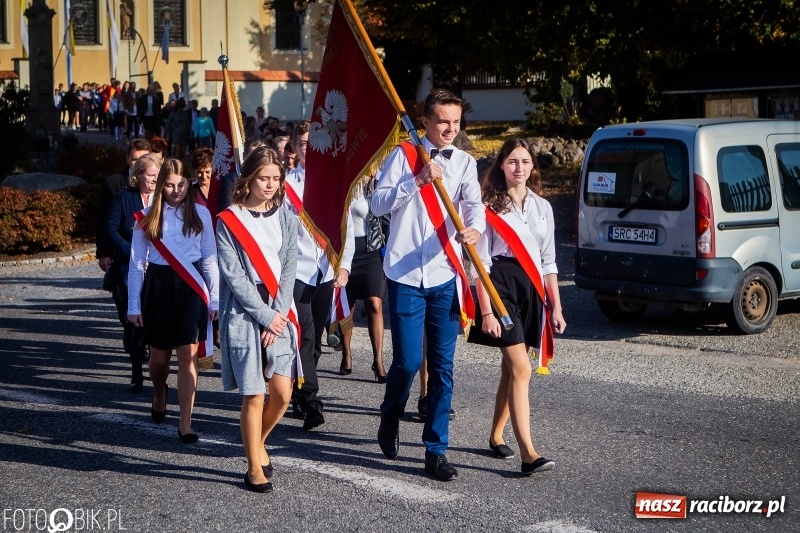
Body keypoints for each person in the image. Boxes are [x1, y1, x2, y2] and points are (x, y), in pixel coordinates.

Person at [372, 88, 484, 481]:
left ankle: (435, 449)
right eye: (442, 122)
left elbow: (473, 205)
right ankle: (390, 414)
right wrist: (417, 181)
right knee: (405, 361)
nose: (450, 129)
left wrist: (474, 228)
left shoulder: (466, 162)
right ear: (425, 121)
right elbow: (377, 204)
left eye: (456, 122)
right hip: (403, 273)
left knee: (443, 367)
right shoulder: (403, 156)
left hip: (444, 273)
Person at [467, 137, 566, 475]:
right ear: (501, 166)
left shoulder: (543, 207)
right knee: (522, 369)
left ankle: (496, 435)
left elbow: (549, 261)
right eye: (512, 162)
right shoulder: (487, 206)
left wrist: (557, 307)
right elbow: (479, 263)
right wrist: (487, 311)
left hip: (531, 288)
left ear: (533, 166)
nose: (519, 168)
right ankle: (529, 453)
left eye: (525, 162)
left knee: (511, 369)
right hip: (501, 287)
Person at [217, 147, 300, 493]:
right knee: (253, 394)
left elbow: (290, 266)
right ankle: (253, 467)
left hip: (278, 311)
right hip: (244, 311)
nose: (270, 185)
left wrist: (277, 316)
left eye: (276, 178)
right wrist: (264, 316)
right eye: (264, 178)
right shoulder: (228, 220)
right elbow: (234, 278)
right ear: (249, 178)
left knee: (281, 393)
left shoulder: (286, 216)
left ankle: (257, 442)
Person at [127, 158, 219, 443]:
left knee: (188, 356)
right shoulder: (146, 216)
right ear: (161, 185)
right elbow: (136, 263)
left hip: (191, 288)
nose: (177, 190)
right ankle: (159, 392)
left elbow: (209, 260)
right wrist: (133, 304)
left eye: (182, 184)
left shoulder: (201, 214)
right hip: (158, 286)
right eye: (170, 184)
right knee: (158, 360)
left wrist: (214, 299)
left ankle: (185, 422)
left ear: (189, 183)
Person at [285, 120, 353, 431]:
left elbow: (346, 228)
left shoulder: (334, 184)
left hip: (324, 271)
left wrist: (345, 264)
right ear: (295, 150)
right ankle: (312, 399)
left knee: (313, 343)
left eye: (314, 144)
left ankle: (298, 389)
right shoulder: (285, 187)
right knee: (306, 333)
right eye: (302, 145)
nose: (308, 150)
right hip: (295, 272)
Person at [106, 154, 160, 392]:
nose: (154, 180)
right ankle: (136, 374)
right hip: (128, 269)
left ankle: (153, 369)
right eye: (150, 175)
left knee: (151, 323)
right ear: (138, 175)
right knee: (131, 325)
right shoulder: (122, 199)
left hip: (156, 270)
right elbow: (111, 230)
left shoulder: (163, 200)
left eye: (158, 176)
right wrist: (133, 252)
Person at [338, 176, 387, 382]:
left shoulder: (376, 184)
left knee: (375, 303)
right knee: (347, 306)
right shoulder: (343, 183)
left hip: (371, 251)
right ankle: (346, 353)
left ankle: (378, 360)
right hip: (345, 251)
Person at [96, 138, 153, 272]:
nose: (139, 164)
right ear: (127, 159)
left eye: (143, 159)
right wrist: (104, 253)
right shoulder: (113, 183)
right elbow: (103, 220)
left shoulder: (157, 182)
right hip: (122, 252)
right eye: (135, 159)